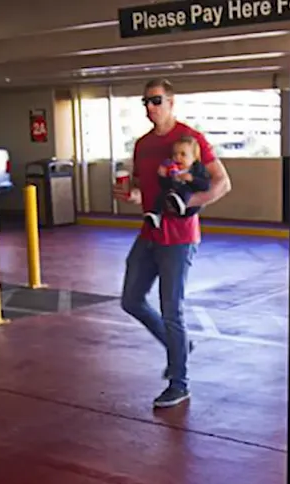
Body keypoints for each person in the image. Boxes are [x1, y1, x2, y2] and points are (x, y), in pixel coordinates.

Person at [114, 78, 231, 409]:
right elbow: (141, 190)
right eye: (146, 102)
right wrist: (130, 194)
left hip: (178, 238)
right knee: (131, 299)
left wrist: (189, 203)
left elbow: (222, 183)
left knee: (171, 309)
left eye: (156, 100)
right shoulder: (142, 145)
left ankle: (179, 382)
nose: (151, 107)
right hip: (149, 232)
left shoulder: (190, 139)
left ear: (171, 102)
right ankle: (178, 345)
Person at [144, 135, 211, 229]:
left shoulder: (197, 169)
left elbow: (206, 185)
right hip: (173, 194)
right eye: (175, 154)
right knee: (162, 194)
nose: (178, 157)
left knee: (185, 189)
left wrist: (192, 179)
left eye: (183, 154)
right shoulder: (172, 168)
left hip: (190, 203)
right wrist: (163, 176)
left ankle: (180, 204)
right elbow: (165, 185)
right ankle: (156, 214)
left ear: (194, 157)